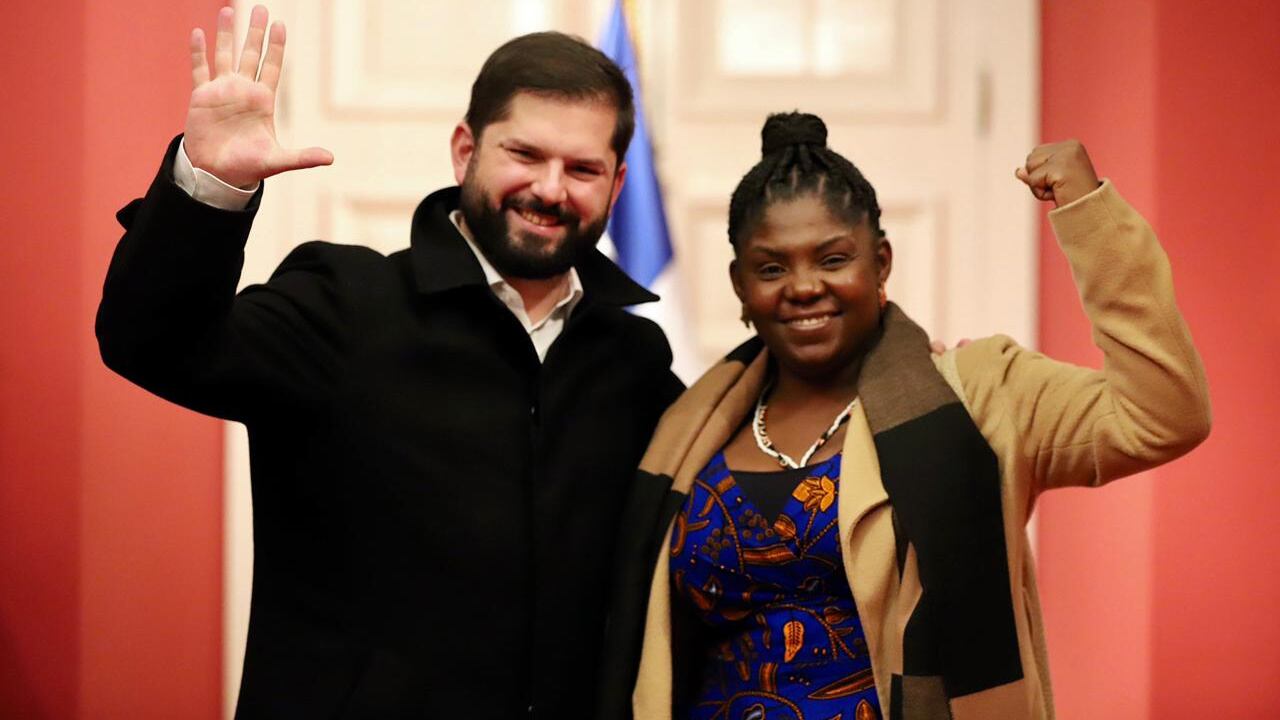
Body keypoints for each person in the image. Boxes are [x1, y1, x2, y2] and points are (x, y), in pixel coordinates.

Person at [96, 5, 682, 718]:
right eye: (525, 155)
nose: (552, 190)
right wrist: (209, 190)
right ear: (465, 150)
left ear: (618, 186)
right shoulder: (345, 305)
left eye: (583, 168)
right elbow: (150, 344)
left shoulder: (635, 361)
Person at [596, 112, 1211, 720]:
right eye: (772, 267)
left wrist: (1090, 216)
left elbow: (1162, 413)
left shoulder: (979, 396)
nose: (804, 286)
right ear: (740, 284)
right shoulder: (689, 428)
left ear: (881, 262)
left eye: (833, 259)